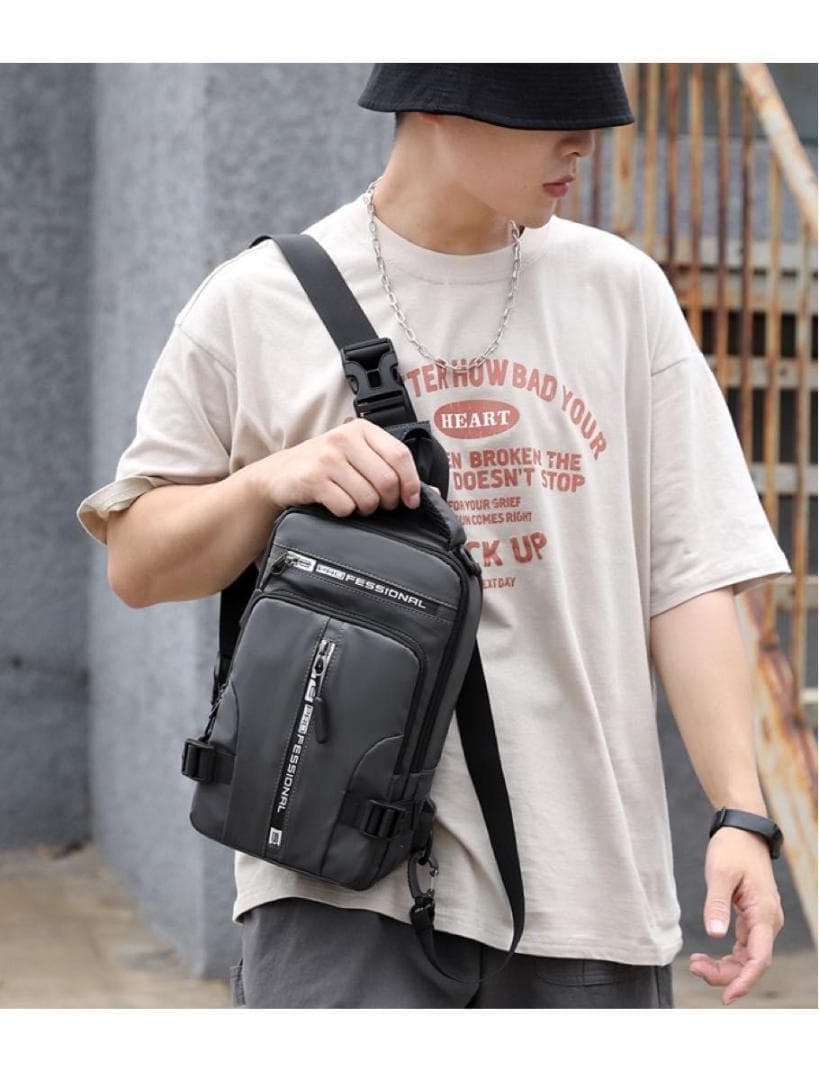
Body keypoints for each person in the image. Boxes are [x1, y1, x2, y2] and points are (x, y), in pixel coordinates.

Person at [76, 63, 791, 1008]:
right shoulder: (255, 302)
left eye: (591, 120)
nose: (583, 145)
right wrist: (268, 483)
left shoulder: (620, 293)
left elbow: (689, 575)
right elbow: (137, 562)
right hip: (337, 885)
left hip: (586, 886)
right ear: (435, 107)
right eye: (548, 116)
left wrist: (741, 814)